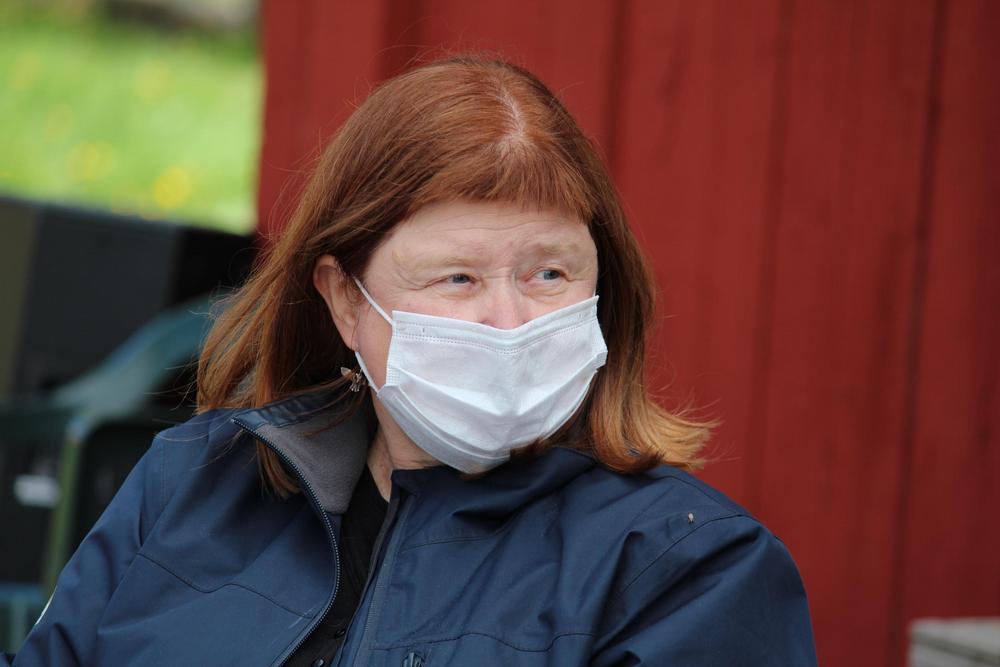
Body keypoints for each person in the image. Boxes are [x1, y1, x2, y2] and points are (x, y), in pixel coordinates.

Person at [9, 55, 817, 666]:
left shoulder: (690, 570)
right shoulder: (196, 481)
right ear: (346, 299)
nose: (508, 321)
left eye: (549, 273)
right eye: (457, 278)